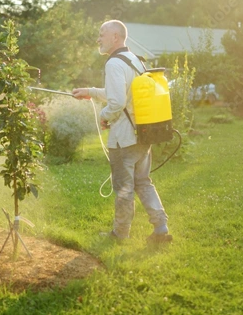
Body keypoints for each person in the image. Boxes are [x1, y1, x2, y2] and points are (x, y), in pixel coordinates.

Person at [72, 20, 172, 243]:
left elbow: (116, 102)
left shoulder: (113, 64)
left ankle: (120, 234)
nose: (98, 38)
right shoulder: (134, 59)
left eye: (102, 34)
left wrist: (103, 116)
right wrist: (90, 91)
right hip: (143, 133)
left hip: (123, 140)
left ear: (115, 37)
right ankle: (161, 227)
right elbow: (123, 94)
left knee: (124, 189)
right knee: (143, 182)